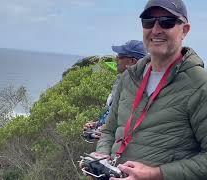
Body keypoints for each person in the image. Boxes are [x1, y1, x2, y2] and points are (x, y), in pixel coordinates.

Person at [90, 0, 207, 179]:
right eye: (148, 21)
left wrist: (155, 174)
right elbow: (109, 130)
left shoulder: (200, 84)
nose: (156, 29)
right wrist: (102, 155)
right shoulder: (129, 77)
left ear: (184, 30)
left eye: (167, 21)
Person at [83, 40, 147, 140]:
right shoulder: (121, 81)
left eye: (120, 56)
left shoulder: (139, 90)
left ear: (132, 61)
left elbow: (129, 125)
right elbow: (114, 115)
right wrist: (96, 125)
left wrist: (106, 131)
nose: (116, 59)